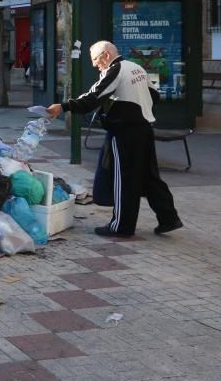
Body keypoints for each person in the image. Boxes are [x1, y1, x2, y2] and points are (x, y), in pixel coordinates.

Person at [47, 40, 182, 237]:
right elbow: (154, 95)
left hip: (125, 132)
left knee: (124, 179)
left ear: (106, 55)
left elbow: (93, 97)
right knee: (150, 176)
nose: (94, 64)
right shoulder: (137, 68)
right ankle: (169, 218)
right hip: (145, 128)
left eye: (95, 59)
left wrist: (64, 106)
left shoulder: (115, 70)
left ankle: (121, 226)